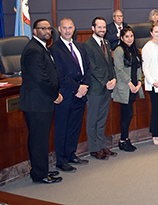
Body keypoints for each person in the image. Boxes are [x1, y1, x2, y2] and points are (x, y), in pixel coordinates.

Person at [20, 19, 63, 184]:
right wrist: (55, 95)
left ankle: (41, 169)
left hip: (42, 102)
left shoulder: (41, 47)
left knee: (42, 138)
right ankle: (39, 174)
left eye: (49, 29)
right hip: (37, 103)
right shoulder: (33, 50)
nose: (47, 31)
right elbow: (41, 79)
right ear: (34, 31)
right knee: (38, 139)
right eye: (42, 28)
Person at [50, 18, 91, 172]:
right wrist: (77, 88)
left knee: (75, 126)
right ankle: (61, 160)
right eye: (64, 28)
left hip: (81, 94)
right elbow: (59, 74)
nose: (67, 31)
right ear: (59, 30)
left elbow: (88, 67)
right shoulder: (55, 49)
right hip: (66, 94)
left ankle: (71, 154)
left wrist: (85, 86)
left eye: (70, 28)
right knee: (62, 128)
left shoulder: (80, 46)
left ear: (74, 28)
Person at [83, 17, 117, 160]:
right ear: (93, 28)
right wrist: (105, 82)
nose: (102, 29)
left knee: (102, 119)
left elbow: (110, 63)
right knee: (93, 120)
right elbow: (92, 67)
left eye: (104, 27)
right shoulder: (87, 45)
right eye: (99, 27)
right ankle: (94, 148)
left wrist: (114, 78)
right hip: (95, 88)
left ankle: (102, 145)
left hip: (107, 87)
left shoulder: (107, 43)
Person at [112, 27, 144, 152]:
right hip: (125, 87)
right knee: (127, 114)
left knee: (128, 114)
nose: (129, 39)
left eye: (131, 36)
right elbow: (118, 69)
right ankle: (123, 140)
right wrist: (129, 83)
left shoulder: (135, 50)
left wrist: (140, 81)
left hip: (134, 87)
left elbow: (139, 67)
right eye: (126, 36)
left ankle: (125, 139)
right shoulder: (119, 50)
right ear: (121, 38)